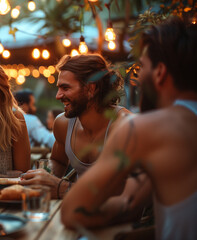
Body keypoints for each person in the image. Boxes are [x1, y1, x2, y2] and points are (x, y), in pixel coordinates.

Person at [61, 17, 197, 239]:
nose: (137, 78)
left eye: (142, 67)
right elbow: (131, 202)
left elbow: (73, 211)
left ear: (160, 72)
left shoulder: (143, 129)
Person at [21, 53, 132, 199]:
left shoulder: (124, 126)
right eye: (59, 88)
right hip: (76, 211)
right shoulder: (63, 124)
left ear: (91, 89)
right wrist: (46, 175)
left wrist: (62, 188)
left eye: (65, 88)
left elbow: (121, 193)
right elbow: (58, 160)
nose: (58, 96)